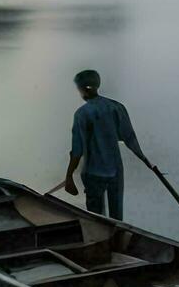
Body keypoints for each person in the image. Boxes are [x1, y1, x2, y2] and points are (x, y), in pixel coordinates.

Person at [63, 68, 147, 218]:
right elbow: (129, 138)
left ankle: (101, 240)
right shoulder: (116, 107)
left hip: (93, 173)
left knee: (96, 217)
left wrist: (69, 177)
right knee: (117, 215)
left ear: (82, 89)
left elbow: (77, 151)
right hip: (115, 171)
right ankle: (118, 239)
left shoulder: (82, 114)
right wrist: (146, 160)